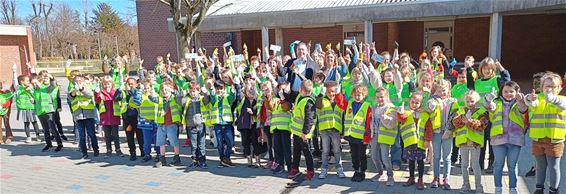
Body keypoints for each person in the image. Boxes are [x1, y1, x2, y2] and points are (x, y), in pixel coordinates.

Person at [466, 57, 511, 173]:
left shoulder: (496, 80)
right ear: (481, 69)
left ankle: (491, 165)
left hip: (492, 115)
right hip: (480, 116)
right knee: (480, 140)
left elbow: (507, 80)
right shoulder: (478, 82)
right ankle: (478, 164)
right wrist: (469, 68)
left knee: (492, 141)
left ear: (493, 70)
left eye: (490, 69)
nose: (487, 71)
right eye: (485, 68)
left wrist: (500, 67)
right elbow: (469, 83)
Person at [525, 72, 566, 194]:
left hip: (555, 140)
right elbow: (531, 103)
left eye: (552, 86)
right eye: (546, 86)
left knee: (554, 167)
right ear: (541, 87)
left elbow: (561, 104)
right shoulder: (538, 98)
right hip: (538, 140)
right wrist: (529, 99)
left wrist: (552, 98)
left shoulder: (562, 99)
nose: (549, 89)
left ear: (559, 88)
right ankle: (539, 188)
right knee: (540, 166)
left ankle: (554, 190)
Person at [484, 81, 528, 194]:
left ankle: (513, 188)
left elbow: (523, 109)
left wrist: (520, 100)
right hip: (498, 139)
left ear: (517, 92)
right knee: (498, 165)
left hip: (515, 139)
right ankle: (498, 188)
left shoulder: (520, 103)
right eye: (506, 91)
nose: (509, 94)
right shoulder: (497, 102)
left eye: (511, 91)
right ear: (501, 92)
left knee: (512, 165)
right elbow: (490, 107)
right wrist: (488, 99)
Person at [452, 90, 489, 193]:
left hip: (475, 144)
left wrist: (468, 121)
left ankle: (479, 186)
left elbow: (482, 125)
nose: (470, 104)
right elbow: (455, 122)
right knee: (464, 165)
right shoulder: (460, 111)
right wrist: (460, 120)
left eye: (472, 101)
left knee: (475, 165)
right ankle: (465, 185)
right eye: (467, 101)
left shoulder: (482, 112)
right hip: (463, 143)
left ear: (477, 101)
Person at [427, 79, 459, 190]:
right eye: (439, 91)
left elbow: (454, 116)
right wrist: (433, 97)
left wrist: (449, 130)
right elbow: (429, 109)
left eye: (444, 90)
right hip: (436, 132)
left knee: (447, 157)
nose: (442, 93)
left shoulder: (453, 101)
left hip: (448, 133)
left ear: (448, 90)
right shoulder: (432, 101)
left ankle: (446, 178)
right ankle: (436, 178)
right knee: (436, 156)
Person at [316, 81, 346, 179]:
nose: (331, 94)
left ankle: (339, 168)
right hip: (325, 129)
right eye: (329, 92)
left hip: (335, 129)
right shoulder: (322, 100)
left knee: (337, 150)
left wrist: (338, 94)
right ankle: (324, 169)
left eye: (333, 91)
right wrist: (321, 94)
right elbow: (318, 105)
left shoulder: (338, 100)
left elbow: (343, 105)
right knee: (325, 150)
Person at [287, 80, 317, 180]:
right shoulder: (300, 97)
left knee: (307, 151)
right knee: (296, 151)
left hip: (303, 133)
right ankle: (295, 168)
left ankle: (310, 170)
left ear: (302, 89)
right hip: (296, 131)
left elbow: (309, 119)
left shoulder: (309, 102)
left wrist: (305, 133)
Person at [399, 92, 427, 190]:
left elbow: (428, 128)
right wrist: (401, 111)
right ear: (410, 102)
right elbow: (401, 120)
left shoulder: (424, 114)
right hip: (410, 141)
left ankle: (420, 179)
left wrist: (427, 140)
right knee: (410, 160)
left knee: (420, 161)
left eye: (417, 103)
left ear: (421, 103)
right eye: (413, 102)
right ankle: (411, 178)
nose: (414, 104)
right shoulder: (406, 112)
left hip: (420, 141)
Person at [115, 77, 145, 161]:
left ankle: (143, 151)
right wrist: (119, 90)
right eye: (128, 84)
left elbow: (137, 99)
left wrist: (131, 91)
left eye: (132, 84)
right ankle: (132, 152)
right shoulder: (124, 92)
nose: (130, 85)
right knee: (129, 136)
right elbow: (116, 98)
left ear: (136, 85)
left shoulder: (138, 92)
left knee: (140, 135)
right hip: (127, 118)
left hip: (137, 117)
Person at [69, 75, 99, 158]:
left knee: (91, 134)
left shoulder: (87, 87)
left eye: (80, 80)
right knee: (82, 136)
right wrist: (75, 89)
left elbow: (89, 95)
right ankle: (84, 152)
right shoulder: (72, 89)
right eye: (76, 80)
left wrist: (81, 88)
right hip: (78, 116)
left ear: (83, 81)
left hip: (88, 115)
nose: (78, 81)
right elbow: (70, 97)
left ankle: (96, 149)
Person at [154, 81, 182, 167]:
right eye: (162, 90)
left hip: (172, 124)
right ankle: (162, 159)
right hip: (161, 124)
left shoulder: (174, 98)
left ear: (170, 89)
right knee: (160, 142)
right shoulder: (160, 99)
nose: (164, 91)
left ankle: (177, 158)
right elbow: (151, 97)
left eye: (166, 89)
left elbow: (179, 95)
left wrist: (173, 90)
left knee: (174, 141)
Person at [34, 71, 63, 152]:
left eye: (47, 78)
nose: (45, 79)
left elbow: (53, 84)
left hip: (49, 110)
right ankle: (48, 144)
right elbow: (36, 98)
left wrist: (51, 77)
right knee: (45, 129)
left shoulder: (50, 87)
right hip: (40, 111)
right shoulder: (37, 88)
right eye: (44, 78)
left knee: (53, 128)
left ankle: (59, 144)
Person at [95, 76, 123, 158]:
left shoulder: (115, 91)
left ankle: (118, 149)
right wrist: (97, 92)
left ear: (112, 84)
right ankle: (108, 150)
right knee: (107, 135)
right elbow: (97, 100)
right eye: (105, 84)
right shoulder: (101, 92)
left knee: (115, 135)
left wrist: (110, 92)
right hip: (105, 118)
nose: (107, 86)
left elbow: (117, 98)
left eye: (108, 84)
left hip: (114, 117)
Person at [137, 79, 160, 162]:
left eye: (148, 88)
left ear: (151, 88)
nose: (146, 90)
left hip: (155, 121)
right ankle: (147, 154)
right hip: (145, 122)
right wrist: (139, 91)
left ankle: (158, 154)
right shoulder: (141, 97)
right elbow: (135, 102)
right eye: (145, 88)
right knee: (147, 140)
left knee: (157, 139)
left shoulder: (156, 96)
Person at [15, 75, 41, 143]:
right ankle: (28, 137)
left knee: (34, 122)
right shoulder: (18, 88)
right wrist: (14, 71)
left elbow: (35, 95)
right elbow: (16, 90)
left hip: (31, 108)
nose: (29, 82)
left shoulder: (31, 87)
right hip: (23, 108)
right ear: (22, 81)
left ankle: (38, 135)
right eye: (27, 80)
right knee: (26, 123)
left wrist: (31, 91)